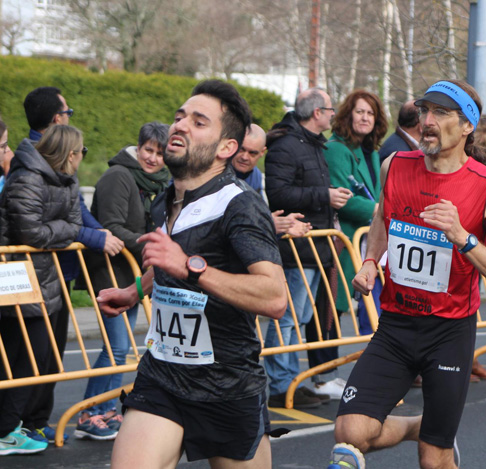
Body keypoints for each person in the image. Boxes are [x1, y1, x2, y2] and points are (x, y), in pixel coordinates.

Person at [328, 80, 486, 469]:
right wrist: (371, 260)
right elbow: (383, 218)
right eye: (424, 110)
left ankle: (431, 435)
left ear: (467, 126)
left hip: (449, 332)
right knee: (351, 432)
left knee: (434, 459)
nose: (427, 121)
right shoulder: (394, 165)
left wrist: (463, 237)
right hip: (396, 325)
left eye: (441, 113)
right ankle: (417, 425)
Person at [96, 80, 287, 468]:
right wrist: (134, 291)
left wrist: (190, 267)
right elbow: (167, 264)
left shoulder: (241, 205)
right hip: (163, 374)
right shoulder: (166, 199)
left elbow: (274, 297)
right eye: (179, 116)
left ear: (225, 148)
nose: (180, 125)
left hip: (226, 384)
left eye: (199, 122)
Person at [20, 87, 124, 444]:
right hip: (35, 276)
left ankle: (34, 423)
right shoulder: (33, 165)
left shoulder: (54, 162)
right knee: (30, 358)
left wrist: (103, 235)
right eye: (68, 112)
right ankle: (16, 427)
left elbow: (76, 212)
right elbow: (36, 227)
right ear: (57, 119)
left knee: (49, 358)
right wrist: (95, 237)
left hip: (57, 273)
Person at [75, 122, 171, 441]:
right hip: (109, 271)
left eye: (159, 153)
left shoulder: (159, 181)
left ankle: (104, 410)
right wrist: (152, 246)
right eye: (148, 150)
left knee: (120, 348)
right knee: (116, 348)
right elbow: (111, 226)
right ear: (138, 147)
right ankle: (89, 412)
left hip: (131, 274)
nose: (153, 158)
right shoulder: (118, 176)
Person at [263, 88, 352, 409]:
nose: (333, 115)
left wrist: (326, 196)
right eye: (329, 109)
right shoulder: (288, 145)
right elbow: (279, 194)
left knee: (297, 318)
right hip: (296, 249)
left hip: (312, 247)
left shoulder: (311, 144)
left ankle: (289, 382)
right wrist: (325, 195)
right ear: (316, 113)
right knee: (287, 318)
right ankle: (280, 385)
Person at [0, 125, 85, 456]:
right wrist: (61, 231)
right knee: (22, 357)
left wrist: (57, 231)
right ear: (70, 154)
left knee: (33, 356)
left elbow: (75, 225)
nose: (82, 157)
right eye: (81, 152)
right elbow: (30, 233)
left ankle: (11, 426)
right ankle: (6, 431)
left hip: (42, 278)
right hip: (16, 278)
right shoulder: (27, 178)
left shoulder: (67, 180)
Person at [323, 89, 387, 377]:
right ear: (347, 115)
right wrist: (379, 210)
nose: (365, 118)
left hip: (365, 240)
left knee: (366, 309)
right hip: (344, 239)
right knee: (331, 310)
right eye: (360, 111)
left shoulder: (370, 151)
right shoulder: (337, 149)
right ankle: (324, 375)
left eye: (370, 113)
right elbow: (344, 198)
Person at [235, 124, 309, 237]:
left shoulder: (256, 176)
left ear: (262, 152)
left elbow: (257, 219)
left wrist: (284, 226)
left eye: (252, 153)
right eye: (241, 149)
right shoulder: (215, 171)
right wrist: (266, 224)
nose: (245, 157)